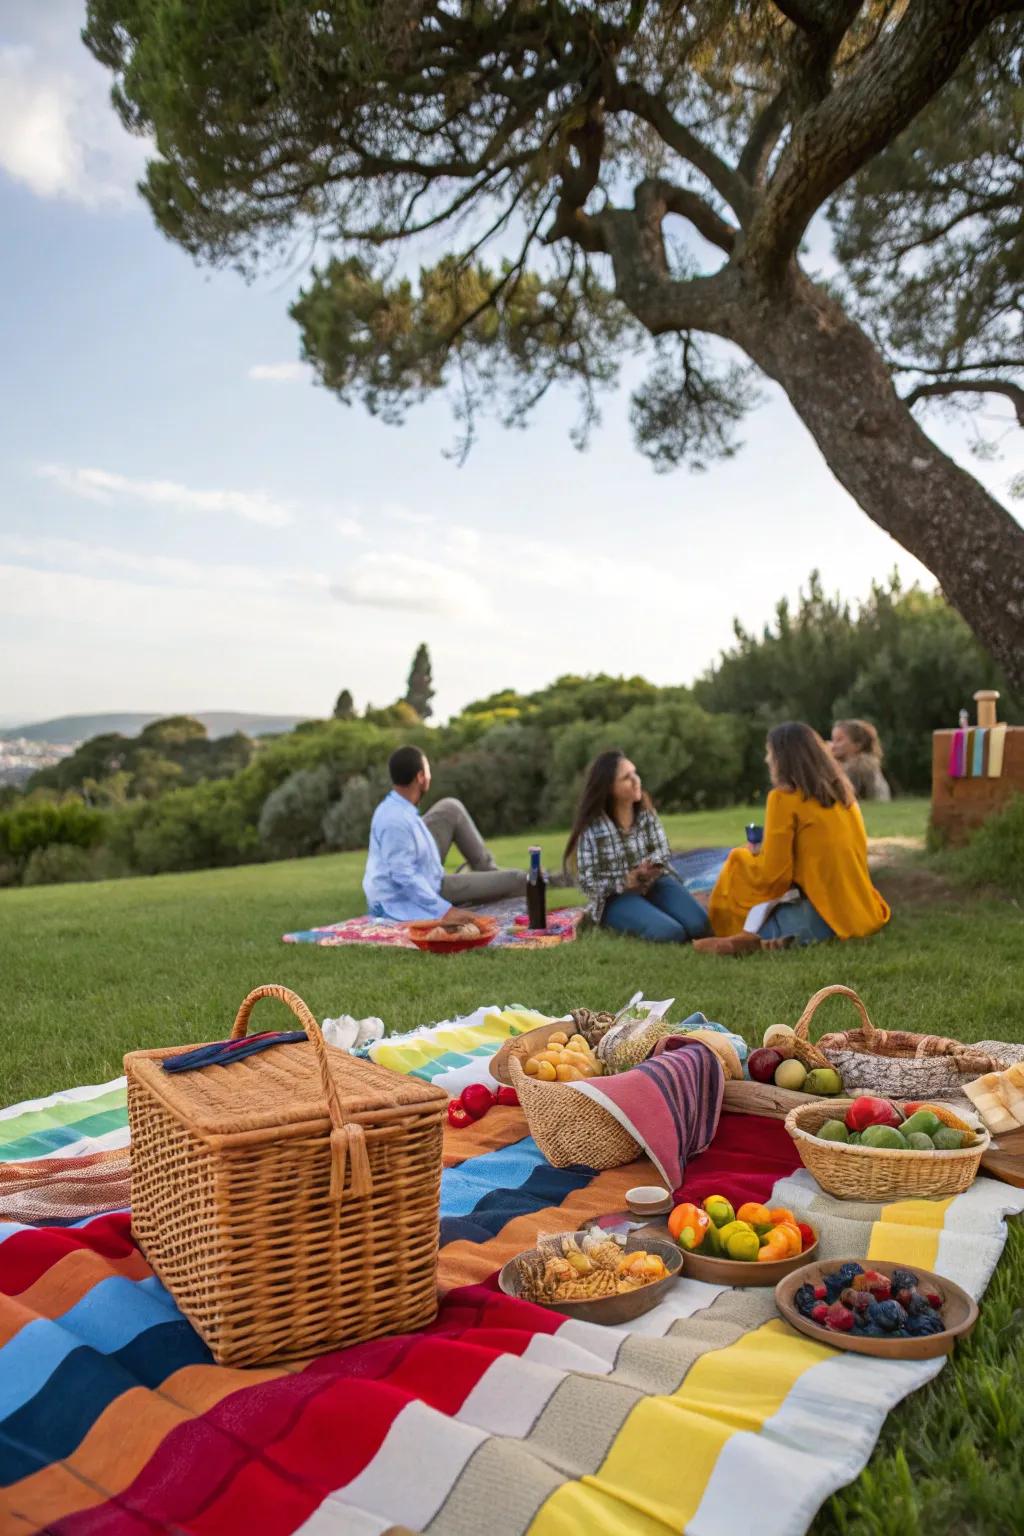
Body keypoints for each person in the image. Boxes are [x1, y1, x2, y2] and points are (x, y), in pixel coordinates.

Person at [702, 721, 890, 951]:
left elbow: (773, 875)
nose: (767, 760)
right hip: (862, 911)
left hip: (822, 917)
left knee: (737, 864)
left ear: (783, 758)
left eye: (770, 753)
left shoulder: (783, 798)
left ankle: (735, 930)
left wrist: (742, 857)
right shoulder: (844, 796)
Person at [363, 746, 527, 921]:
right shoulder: (395, 820)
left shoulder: (400, 807)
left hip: (430, 883)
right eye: (428, 771)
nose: (430, 776)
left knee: (451, 807)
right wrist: (444, 911)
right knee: (520, 880)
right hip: (409, 901)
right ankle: (538, 880)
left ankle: (485, 879)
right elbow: (403, 876)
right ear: (420, 777)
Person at [566, 750, 710, 943]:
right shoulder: (592, 828)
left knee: (699, 925)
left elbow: (662, 850)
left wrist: (650, 868)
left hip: (655, 882)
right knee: (671, 933)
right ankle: (622, 917)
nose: (636, 780)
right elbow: (588, 883)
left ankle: (651, 908)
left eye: (635, 773)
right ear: (610, 788)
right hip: (617, 897)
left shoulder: (645, 812)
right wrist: (625, 881)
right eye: (627, 777)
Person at [830, 718, 891, 801]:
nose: (833, 746)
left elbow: (835, 797)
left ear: (858, 745)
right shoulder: (869, 766)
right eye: (833, 740)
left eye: (839, 740)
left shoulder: (856, 769)